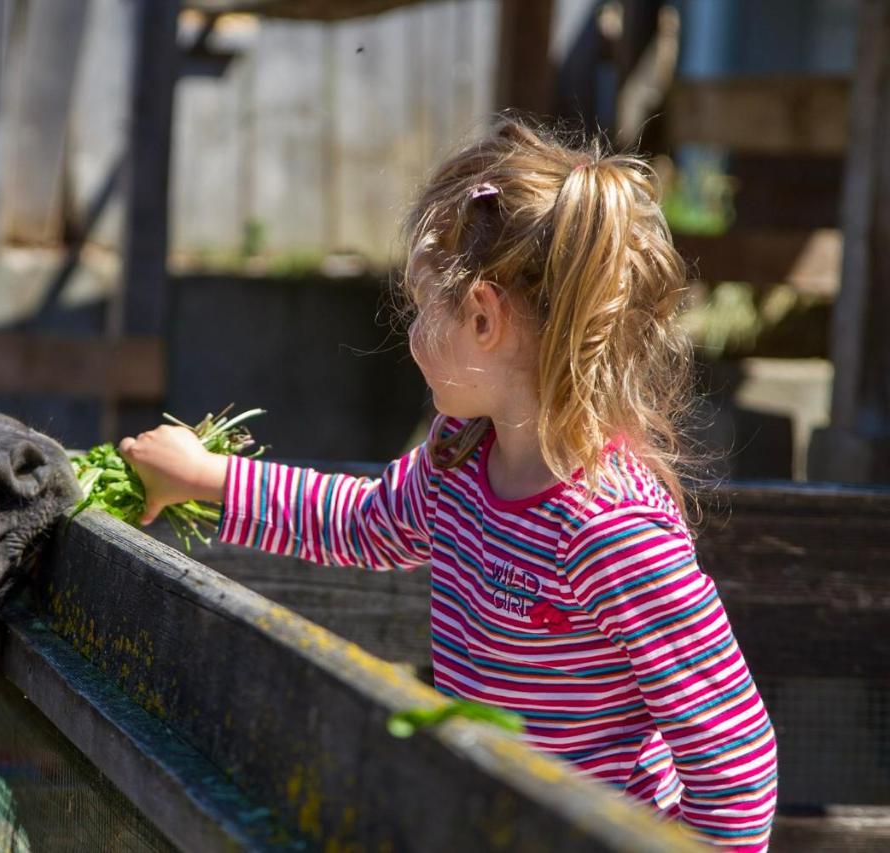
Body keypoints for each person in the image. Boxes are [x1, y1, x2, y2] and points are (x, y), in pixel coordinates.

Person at [119, 118, 777, 849]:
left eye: (425, 305)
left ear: (485, 317)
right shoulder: (460, 459)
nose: (411, 334)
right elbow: (363, 522)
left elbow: (735, 759)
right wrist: (205, 477)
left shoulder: (611, 529)